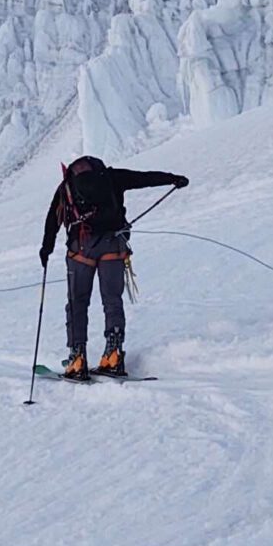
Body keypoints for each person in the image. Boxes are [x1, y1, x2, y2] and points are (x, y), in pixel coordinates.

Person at [39, 156, 188, 379]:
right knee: (112, 300)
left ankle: (77, 359)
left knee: (78, 302)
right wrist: (173, 179)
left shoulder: (66, 187)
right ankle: (113, 356)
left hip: (81, 249)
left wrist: (46, 248)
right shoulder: (111, 176)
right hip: (113, 246)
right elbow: (143, 178)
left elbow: (53, 219)